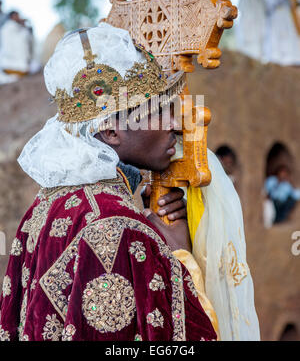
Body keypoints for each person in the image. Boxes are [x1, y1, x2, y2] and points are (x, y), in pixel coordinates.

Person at [0, 23, 218, 341]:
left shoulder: (45, 204)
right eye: (159, 111)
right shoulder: (120, 230)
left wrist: (146, 233)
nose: (175, 124)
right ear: (112, 131)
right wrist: (176, 256)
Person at [0, 10, 32, 77]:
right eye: (16, 15)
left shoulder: (18, 27)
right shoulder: (9, 27)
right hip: (10, 60)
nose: (18, 17)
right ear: (12, 17)